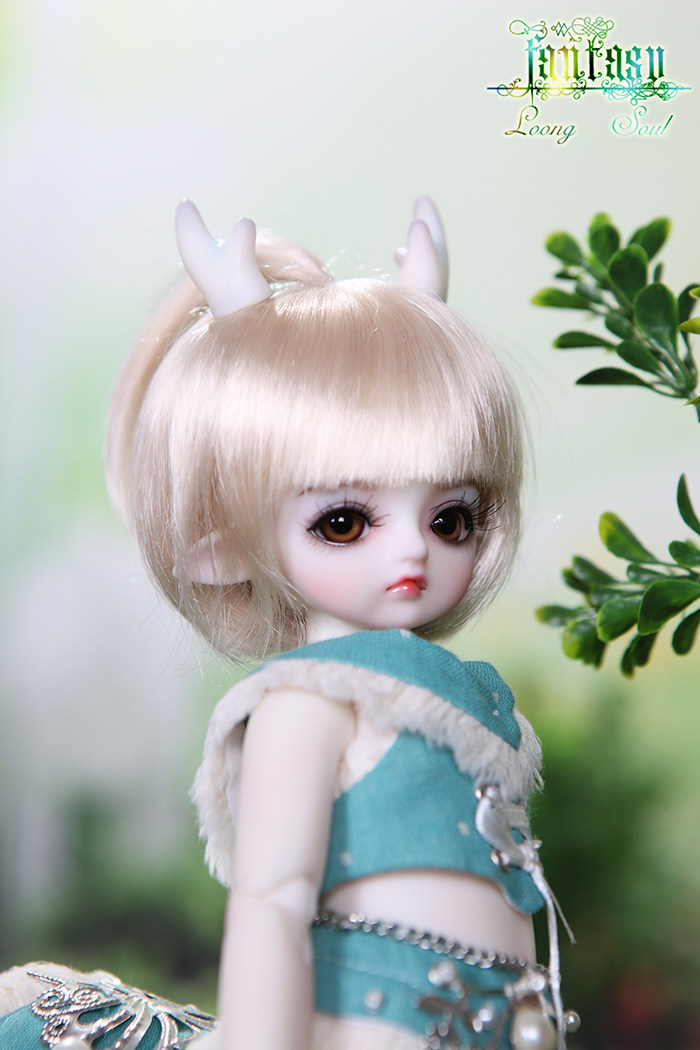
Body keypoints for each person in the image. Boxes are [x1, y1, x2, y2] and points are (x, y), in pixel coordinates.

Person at [0, 199, 575, 1050]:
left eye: (450, 517)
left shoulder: (470, 699)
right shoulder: (304, 702)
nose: (411, 550)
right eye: (344, 521)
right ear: (226, 546)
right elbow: (272, 904)